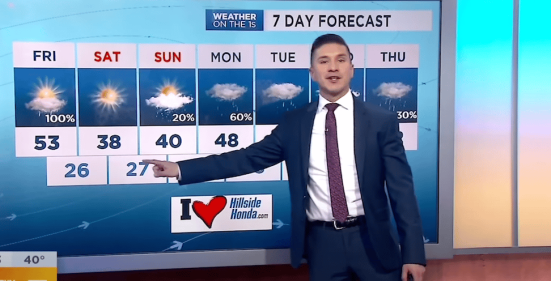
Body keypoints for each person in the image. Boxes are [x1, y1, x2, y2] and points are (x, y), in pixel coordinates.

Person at [143, 33, 426, 281]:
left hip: (373, 241)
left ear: (352, 68)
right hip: (323, 244)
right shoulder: (295, 123)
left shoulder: (381, 121)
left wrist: (413, 253)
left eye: (341, 60)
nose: (333, 67)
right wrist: (180, 168)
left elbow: (402, 190)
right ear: (313, 72)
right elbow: (246, 159)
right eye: (324, 61)